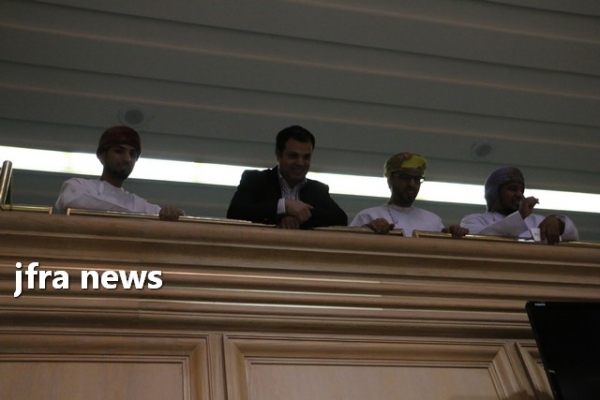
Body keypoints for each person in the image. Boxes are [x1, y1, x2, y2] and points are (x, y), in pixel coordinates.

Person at [226, 125, 347, 229]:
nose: (300, 163)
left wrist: (299, 216)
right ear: (279, 155)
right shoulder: (255, 180)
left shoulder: (318, 190)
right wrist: (283, 206)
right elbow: (235, 213)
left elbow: (341, 219)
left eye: (306, 157)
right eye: (293, 156)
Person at [55, 126, 183, 221]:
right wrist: (136, 215)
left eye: (132, 154)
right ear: (102, 156)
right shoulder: (78, 186)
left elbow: (177, 219)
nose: (127, 158)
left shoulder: (137, 203)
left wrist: (173, 213)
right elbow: (70, 202)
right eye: (119, 151)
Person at [350, 152, 468, 238]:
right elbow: (349, 246)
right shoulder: (369, 216)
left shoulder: (433, 220)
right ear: (390, 180)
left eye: (417, 179)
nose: (412, 184)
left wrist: (454, 235)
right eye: (405, 177)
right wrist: (368, 230)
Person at [460, 166, 579, 244]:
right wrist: (520, 216)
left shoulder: (537, 221)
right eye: (513, 189)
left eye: (521, 191)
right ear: (495, 193)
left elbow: (573, 236)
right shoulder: (473, 220)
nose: (519, 195)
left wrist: (558, 222)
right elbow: (482, 240)